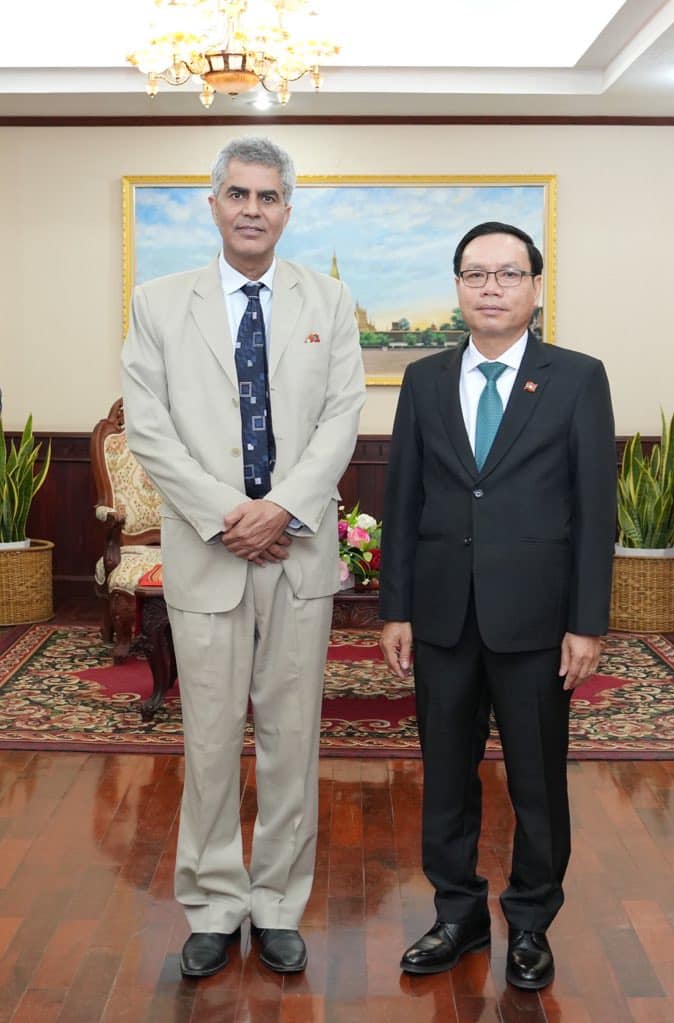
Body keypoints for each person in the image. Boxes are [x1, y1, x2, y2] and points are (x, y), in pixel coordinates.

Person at [121, 136, 366, 978]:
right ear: (214, 203)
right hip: (208, 552)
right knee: (211, 736)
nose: (253, 208)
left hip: (295, 556)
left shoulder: (327, 301)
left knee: (292, 737)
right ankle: (214, 902)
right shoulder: (159, 303)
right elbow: (147, 427)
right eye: (238, 194)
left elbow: (342, 418)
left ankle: (277, 901)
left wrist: (283, 509)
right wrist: (228, 514)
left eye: (269, 196)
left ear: (288, 209)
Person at [378, 222, 616, 991]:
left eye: (508, 274)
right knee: (444, 773)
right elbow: (405, 499)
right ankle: (458, 913)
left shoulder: (577, 377)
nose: (491, 288)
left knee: (536, 779)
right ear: (457, 287)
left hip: (539, 622)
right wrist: (396, 608)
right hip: (442, 617)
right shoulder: (423, 381)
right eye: (476, 274)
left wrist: (586, 621)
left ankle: (531, 922)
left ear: (535, 289)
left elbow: (595, 511)